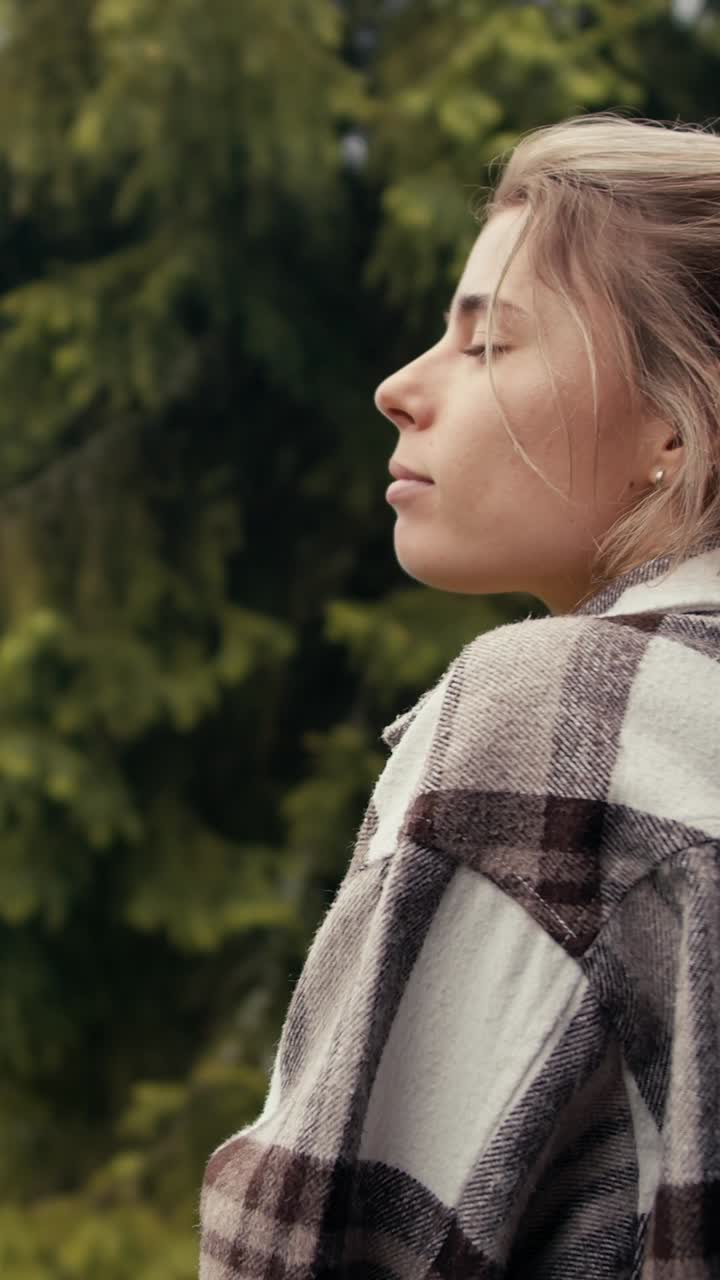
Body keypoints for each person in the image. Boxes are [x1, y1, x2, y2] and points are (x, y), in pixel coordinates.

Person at [198, 114, 720, 1278]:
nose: (398, 387)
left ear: (677, 429)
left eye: (487, 345)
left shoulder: (567, 713)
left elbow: (325, 1247)